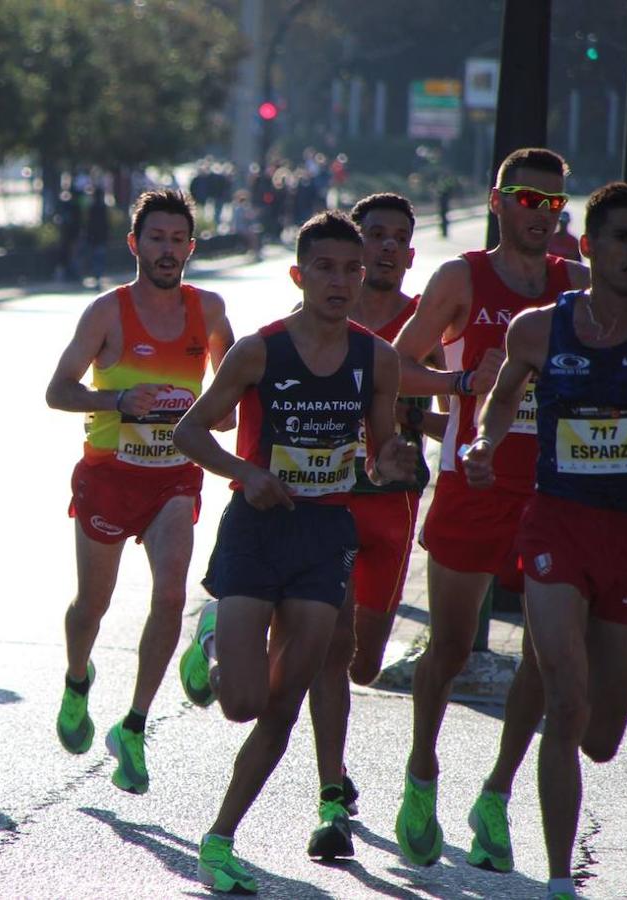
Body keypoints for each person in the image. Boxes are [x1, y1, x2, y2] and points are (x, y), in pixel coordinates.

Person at [174, 211, 419, 891]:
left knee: (285, 705)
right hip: (256, 531)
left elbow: (375, 451)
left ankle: (219, 840)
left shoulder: (378, 357)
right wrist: (246, 474)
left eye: (351, 269)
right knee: (241, 703)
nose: (341, 280)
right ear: (298, 275)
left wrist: (392, 458)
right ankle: (213, 634)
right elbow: (189, 432)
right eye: (325, 268)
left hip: (323, 538)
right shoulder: (258, 350)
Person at [461, 182, 627, 900]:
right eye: (621, 238)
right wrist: (481, 444)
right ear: (585, 246)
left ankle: (508, 795)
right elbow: (500, 401)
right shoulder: (534, 329)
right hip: (555, 523)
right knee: (564, 702)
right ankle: (559, 880)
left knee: (600, 736)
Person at [388, 147, 588, 868]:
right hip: (475, 484)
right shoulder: (459, 278)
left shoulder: (578, 286)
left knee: (543, 654)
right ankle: (420, 774)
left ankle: (496, 796)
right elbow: (396, 365)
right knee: (447, 647)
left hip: (558, 491)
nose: (539, 215)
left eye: (553, 204)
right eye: (526, 200)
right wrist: (460, 379)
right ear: (497, 200)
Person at [46, 188, 235, 795]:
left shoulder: (208, 311)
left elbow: (232, 392)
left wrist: (218, 414)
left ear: (191, 247)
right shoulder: (106, 312)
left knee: (171, 594)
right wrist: (117, 400)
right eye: (156, 238)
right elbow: (57, 390)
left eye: (179, 240)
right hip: (108, 475)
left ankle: (133, 725)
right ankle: (79, 679)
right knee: (91, 607)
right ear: (135, 243)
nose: (168, 250)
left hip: (175, 478)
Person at [303, 193, 448, 860]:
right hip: (328, 501)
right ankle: (331, 791)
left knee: (362, 663)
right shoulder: (319, 313)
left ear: (410, 253)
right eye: (376, 235)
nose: (387, 247)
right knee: (326, 650)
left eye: (398, 238)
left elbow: (448, 407)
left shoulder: (426, 322)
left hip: (392, 503)